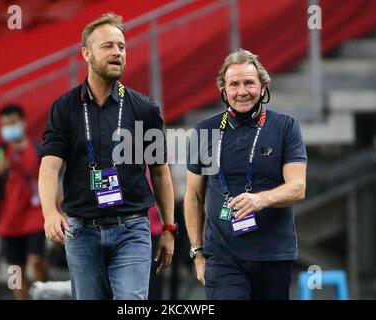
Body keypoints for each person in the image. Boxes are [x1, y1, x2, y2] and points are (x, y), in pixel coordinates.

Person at [38, 12, 176, 300]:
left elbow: (161, 172)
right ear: (86, 54)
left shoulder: (144, 109)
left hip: (132, 229)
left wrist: (168, 228)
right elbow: (49, 168)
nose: (117, 52)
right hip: (81, 232)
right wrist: (50, 212)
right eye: (108, 46)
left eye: (121, 46)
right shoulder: (65, 108)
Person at [184, 49, 307, 300]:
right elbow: (193, 197)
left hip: (273, 255)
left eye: (249, 83)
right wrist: (197, 253)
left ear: (263, 86)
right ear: (223, 90)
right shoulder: (204, 131)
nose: (242, 91)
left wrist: (260, 199)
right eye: (234, 84)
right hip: (223, 257)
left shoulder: (285, 126)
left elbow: (298, 187)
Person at [0, 104, 48, 300]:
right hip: (8, 221)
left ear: (23, 122)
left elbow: (50, 180)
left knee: (35, 262)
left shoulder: (37, 149)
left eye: (13, 123)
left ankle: (48, 292)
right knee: (15, 273)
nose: (9, 128)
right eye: (4, 125)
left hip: (34, 217)